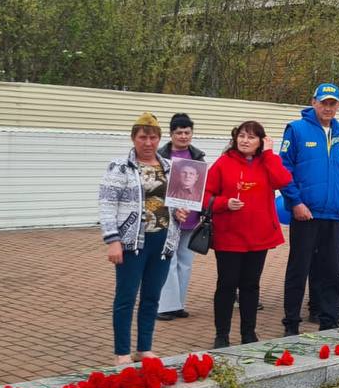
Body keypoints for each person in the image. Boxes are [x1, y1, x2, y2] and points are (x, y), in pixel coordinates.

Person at [99, 112, 181, 366]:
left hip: (162, 241)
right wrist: (113, 240)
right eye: (143, 137)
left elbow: (177, 201)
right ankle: (122, 351)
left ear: (159, 139)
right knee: (126, 297)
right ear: (133, 138)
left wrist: (180, 212)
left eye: (153, 137)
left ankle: (144, 347)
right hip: (132, 243)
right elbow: (107, 205)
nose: (148, 142)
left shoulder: (170, 167)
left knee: (152, 297)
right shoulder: (120, 167)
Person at [203, 121, 291, 347]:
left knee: (251, 286)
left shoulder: (267, 162)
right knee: (226, 285)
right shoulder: (223, 162)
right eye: (241, 136)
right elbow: (205, 196)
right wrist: (223, 203)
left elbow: (283, 180)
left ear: (261, 141)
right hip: (229, 236)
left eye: (251, 137)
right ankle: (222, 335)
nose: (245, 140)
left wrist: (269, 154)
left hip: (258, 237)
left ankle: (248, 333)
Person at [280, 83, 339, 335]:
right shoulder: (296, 130)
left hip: (334, 215)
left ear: (338, 106)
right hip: (306, 213)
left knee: (331, 271)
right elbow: (284, 170)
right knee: (299, 269)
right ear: (314, 102)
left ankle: (329, 320)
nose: (328, 108)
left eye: (332, 103)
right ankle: (291, 323)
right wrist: (296, 202)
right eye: (323, 102)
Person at [157, 113, 207, 321]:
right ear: (171, 134)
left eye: (187, 132)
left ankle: (178, 304)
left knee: (185, 263)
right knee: (168, 260)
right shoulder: (161, 156)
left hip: (191, 218)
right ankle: (164, 306)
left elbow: (203, 187)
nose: (184, 136)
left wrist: (203, 211)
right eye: (179, 132)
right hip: (167, 217)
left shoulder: (198, 157)